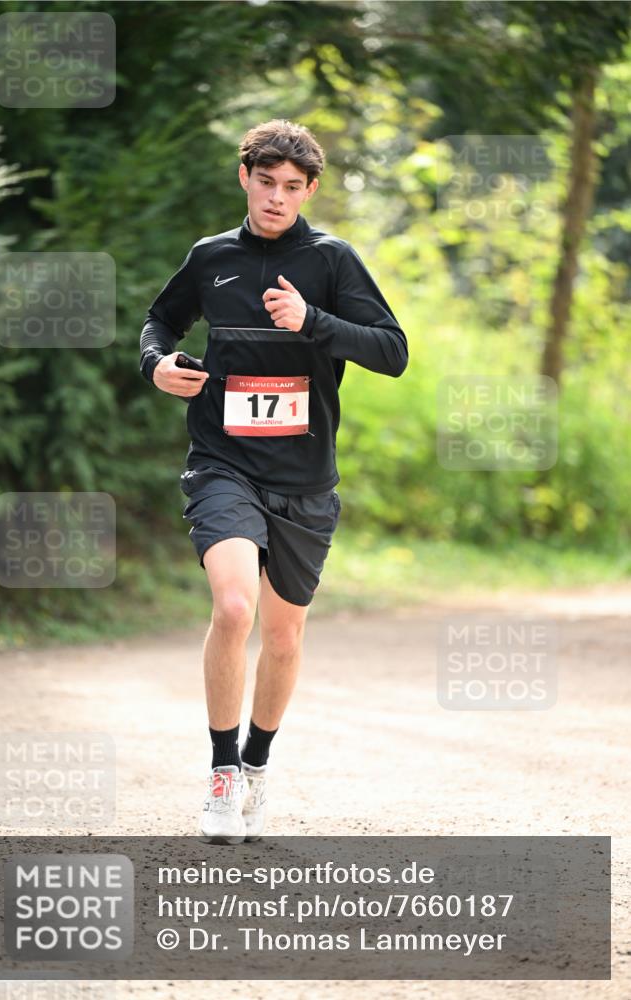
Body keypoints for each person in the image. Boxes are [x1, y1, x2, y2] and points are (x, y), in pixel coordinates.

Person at [140, 119, 408, 844]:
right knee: (233, 608)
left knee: (283, 638)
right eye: (266, 182)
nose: (277, 197)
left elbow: (392, 352)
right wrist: (157, 365)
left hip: (304, 477)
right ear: (245, 178)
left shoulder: (330, 260)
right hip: (223, 461)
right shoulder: (211, 258)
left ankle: (256, 767)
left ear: (309, 190)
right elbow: (158, 322)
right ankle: (221, 772)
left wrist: (312, 320)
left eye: (292, 187)